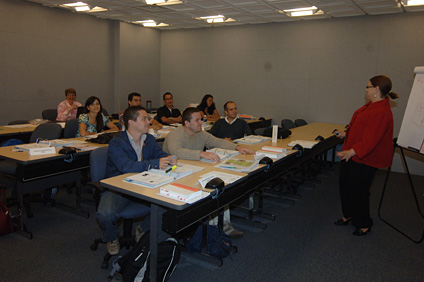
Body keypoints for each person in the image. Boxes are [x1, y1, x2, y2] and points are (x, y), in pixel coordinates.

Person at [163, 107, 255, 238]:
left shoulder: (200, 133)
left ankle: (222, 225)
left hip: (195, 170)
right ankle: (209, 229)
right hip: (175, 174)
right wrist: (201, 153)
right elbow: (176, 151)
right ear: (187, 123)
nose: (201, 122)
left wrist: (237, 147)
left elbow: (217, 141)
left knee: (220, 185)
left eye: (201, 119)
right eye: (197, 120)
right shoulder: (175, 135)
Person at [97, 106, 177, 255]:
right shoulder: (117, 142)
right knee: (105, 213)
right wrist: (154, 163)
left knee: (169, 203)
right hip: (119, 187)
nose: (149, 121)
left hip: (144, 184)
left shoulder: (150, 139)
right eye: (144, 118)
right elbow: (125, 166)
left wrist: (169, 158)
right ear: (131, 123)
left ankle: (144, 228)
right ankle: (111, 237)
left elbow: (159, 154)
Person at [334, 75, 399, 236]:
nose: (365, 89)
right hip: (353, 154)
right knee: (346, 186)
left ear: (377, 89)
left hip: (365, 158)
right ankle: (348, 214)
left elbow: (372, 139)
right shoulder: (371, 106)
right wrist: (346, 133)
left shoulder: (382, 111)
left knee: (359, 191)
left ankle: (364, 223)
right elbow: (359, 126)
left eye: (368, 86)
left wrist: (351, 151)